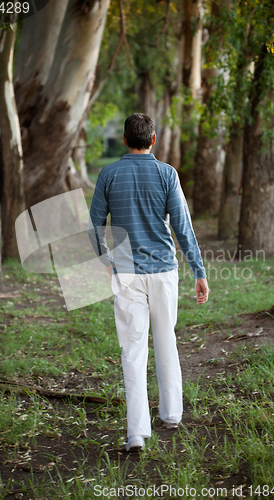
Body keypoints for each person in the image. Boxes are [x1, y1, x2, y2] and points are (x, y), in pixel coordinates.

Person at [89, 113, 209, 452]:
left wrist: (107, 265)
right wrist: (198, 272)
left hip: (125, 274)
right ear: (153, 140)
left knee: (132, 350)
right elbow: (182, 228)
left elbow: (95, 228)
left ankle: (137, 434)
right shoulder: (167, 174)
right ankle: (171, 415)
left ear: (125, 140)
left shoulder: (108, 174)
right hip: (164, 273)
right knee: (165, 340)